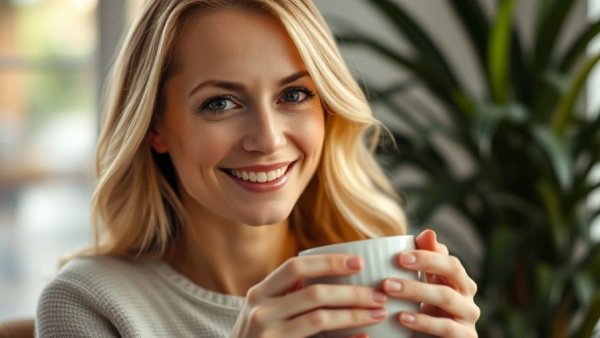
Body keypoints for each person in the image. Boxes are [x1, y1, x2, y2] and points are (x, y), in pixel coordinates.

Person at [36, 0, 480, 337]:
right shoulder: (89, 304)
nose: (267, 139)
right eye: (220, 103)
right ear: (157, 129)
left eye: (294, 95)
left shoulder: (382, 281)